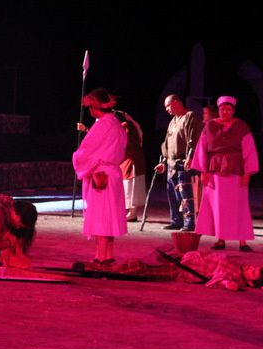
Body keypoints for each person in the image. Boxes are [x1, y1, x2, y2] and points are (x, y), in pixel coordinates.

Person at [192, 96, 259, 252]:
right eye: (223, 109)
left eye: (229, 109)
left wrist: (247, 173)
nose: (226, 112)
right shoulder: (209, 126)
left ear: (233, 111)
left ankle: (242, 242)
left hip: (236, 171)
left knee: (239, 206)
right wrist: (203, 171)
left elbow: (249, 151)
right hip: (215, 172)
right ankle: (220, 239)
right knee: (218, 207)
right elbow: (202, 149)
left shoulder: (242, 126)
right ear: (219, 110)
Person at [72, 88, 128, 266]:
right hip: (112, 173)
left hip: (101, 173)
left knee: (101, 216)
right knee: (108, 215)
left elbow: (86, 150)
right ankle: (106, 255)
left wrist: (78, 158)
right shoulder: (115, 123)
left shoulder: (104, 124)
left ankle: (101, 257)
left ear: (93, 108)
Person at [73, 248, 263, 291]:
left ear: (251, 281)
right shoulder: (235, 264)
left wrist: (229, 285)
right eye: (255, 267)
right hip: (184, 261)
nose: (251, 267)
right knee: (137, 263)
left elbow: (214, 282)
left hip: (182, 272)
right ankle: (99, 267)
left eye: (254, 271)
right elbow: (207, 255)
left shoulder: (233, 277)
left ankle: (99, 270)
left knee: (140, 269)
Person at [154, 94, 202, 231]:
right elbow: (167, 143)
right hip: (171, 164)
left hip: (183, 163)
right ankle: (176, 220)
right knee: (172, 194)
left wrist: (190, 157)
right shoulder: (173, 120)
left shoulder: (190, 116)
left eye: (168, 106)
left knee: (185, 194)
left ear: (176, 102)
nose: (167, 109)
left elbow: (194, 139)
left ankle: (189, 222)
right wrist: (163, 161)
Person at [193, 104, 219, 213]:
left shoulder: (214, 127)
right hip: (204, 162)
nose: (203, 115)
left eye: (206, 113)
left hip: (212, 163)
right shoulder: (204, 126)